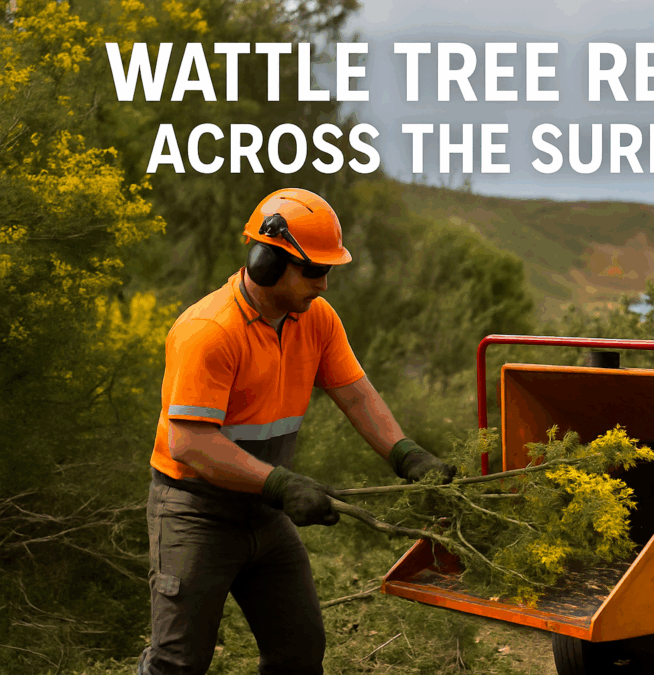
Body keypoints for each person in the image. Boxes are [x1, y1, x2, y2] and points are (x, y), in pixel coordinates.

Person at [137, 188, 455, 675]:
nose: (325, 284)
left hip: (264, 511)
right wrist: (282, 484)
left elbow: (355, 395)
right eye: (314, 271)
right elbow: (191, 443)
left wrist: (407, 455)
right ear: (265, 261)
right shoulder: (209, 331)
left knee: (299, 653)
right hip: (195, 513)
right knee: (178, 663)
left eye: (329, 270)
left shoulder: (316, 320)